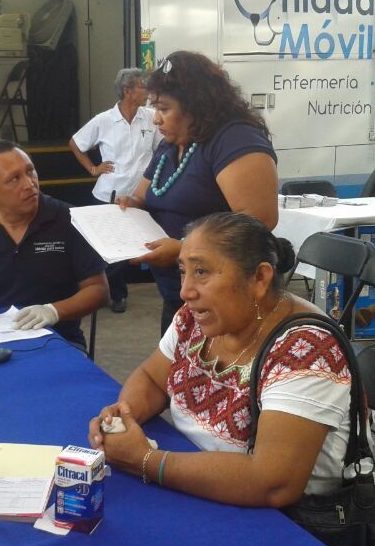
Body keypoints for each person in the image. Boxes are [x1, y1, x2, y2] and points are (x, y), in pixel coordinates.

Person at [90, 213, 359, 507]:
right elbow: (154, 379)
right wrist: (125, 418)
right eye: (183, 271)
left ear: (259, 278)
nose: (185, 290)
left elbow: (273, 483)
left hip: (287, 523)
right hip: (201, 487)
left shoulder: (306, 351)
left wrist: (146, 460)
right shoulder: (196, 318)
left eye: (202, 272)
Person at [117, 51, 279, 334]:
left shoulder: (234, 139)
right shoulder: (173, 143)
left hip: (226, 304)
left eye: (164, 108)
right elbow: (143, 196)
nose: (156, 119)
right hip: (181, 297)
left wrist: (183, 251)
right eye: (154, 108)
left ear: (197, 106)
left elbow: (259, 221)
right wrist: (126, 207)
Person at [0, 139, 108, 347]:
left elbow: (99, 291)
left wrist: (54, 311)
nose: (29, 184)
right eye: (14, 179)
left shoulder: (69, 220)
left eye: (30, 171)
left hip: (58, 342)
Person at [69, 68, 163, 313]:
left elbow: (163, 149)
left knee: (144, 243)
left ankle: (119, 290)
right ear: (127, 91)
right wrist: (92, 168)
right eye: (143, 86)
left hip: (141, 196)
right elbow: (76, 143)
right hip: (109, 194)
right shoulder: (104, 120)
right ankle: (115, 294)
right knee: (111, 247)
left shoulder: (151, 118)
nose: (147, 91)